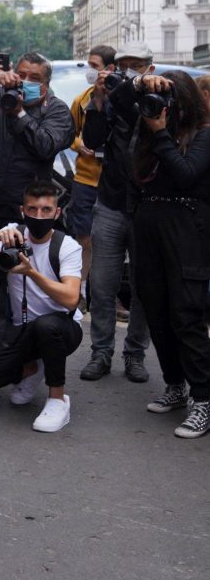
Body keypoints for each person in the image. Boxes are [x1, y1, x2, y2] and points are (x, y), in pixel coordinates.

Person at [0, 51, 75, 329]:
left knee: (27, 285)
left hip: (32, 215)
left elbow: (44, 145)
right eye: (22, 75)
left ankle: (23, 349)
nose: (26, 81)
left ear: (46, 84)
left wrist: (18, 112)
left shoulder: (56, 110)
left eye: (35, 78)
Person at [121, 70, 210, 438]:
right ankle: (175, 384)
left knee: (186, 315)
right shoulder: (149, 131)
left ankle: (203, 399)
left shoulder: (204, 135)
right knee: (156, 310)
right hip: (149, 225)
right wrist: (140, 87)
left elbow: (186, 174)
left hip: (186, 228)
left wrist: (160, 133)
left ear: (182, 100)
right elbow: (133, 168)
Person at [0, 181, 82, 432]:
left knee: (47, 327)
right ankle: (31, 367)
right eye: (32, 209)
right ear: (22, 210)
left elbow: (70, 299)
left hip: (61, 328)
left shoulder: (67, 246)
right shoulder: (12, 234)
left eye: (46, 210)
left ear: (57, 213)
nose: (39, 216)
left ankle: (58, 399)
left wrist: (31, 272)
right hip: (19, 329)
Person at [80, 41, 151, 383]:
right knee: (103, 284)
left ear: (149, 69)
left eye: (136, 66)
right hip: (109, 202)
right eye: (123, 66)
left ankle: (135, 354)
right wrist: (98, 100)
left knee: (144, 287)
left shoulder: (158, 97)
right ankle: (101, 352)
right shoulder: (108, 100)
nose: (128, 73)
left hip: (146, 207)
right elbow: (92, 141)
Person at [67, 45, 116, 307]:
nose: (90, 70)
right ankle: (81, 288)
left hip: (113, 181)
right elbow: (69, 133)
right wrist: (78, 145)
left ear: (110, 69)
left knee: (110, 241)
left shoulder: (123, 99)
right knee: (82, 236)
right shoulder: (82, 100)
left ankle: (104, 292)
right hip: (85, 180)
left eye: (94, 65)